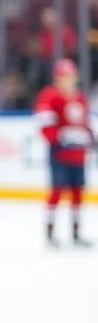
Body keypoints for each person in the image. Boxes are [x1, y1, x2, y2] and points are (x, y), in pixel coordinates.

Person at [35, 58, 93, 246]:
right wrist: (60, 138)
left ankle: (76, 233)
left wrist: (90, 136)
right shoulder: (50, 96)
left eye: (70, 75)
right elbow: (45, 125)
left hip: (78, 155)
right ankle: (50, 232)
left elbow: (85, 123)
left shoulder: (80, 98)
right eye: (64, 76)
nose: (68, 79)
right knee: (57, 190)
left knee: (78, 192)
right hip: (60, 155)